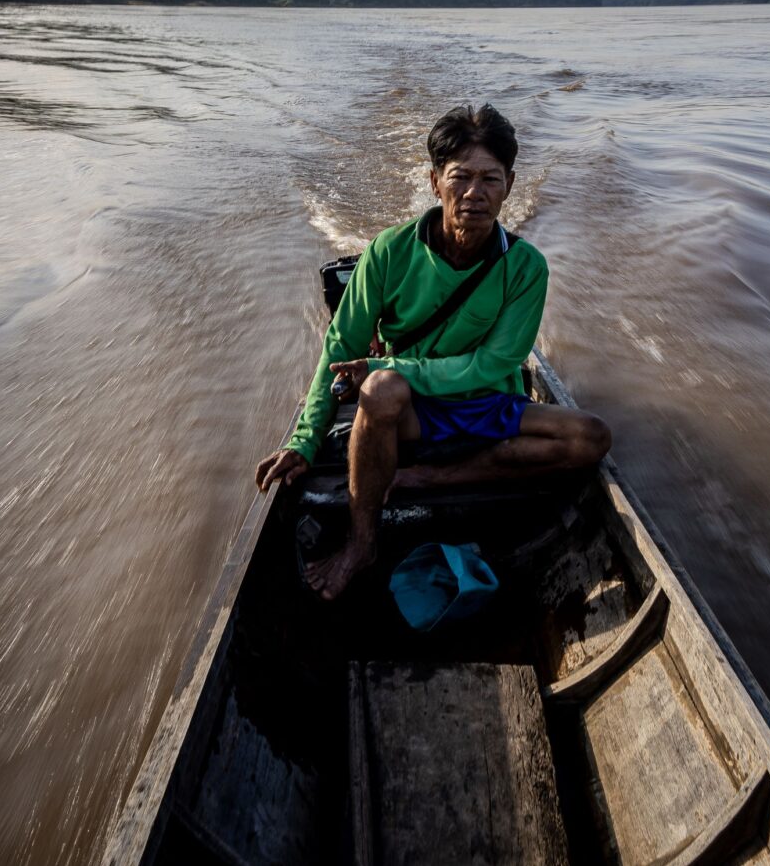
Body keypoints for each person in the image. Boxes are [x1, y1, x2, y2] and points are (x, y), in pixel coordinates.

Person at [255, 104, 611, 600]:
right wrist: (304, 440)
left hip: (487, 400)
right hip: (413, 412)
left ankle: (430, 476)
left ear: (509, 184)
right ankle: (363, 543)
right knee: (379, 390)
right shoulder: (389, 251)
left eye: (490, 179)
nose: (474, 193)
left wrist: (385, 364)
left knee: (591, 438)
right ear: (434, 183)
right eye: (460, 177)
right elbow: (340, 347)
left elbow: (495, 365)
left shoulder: (525, 267)